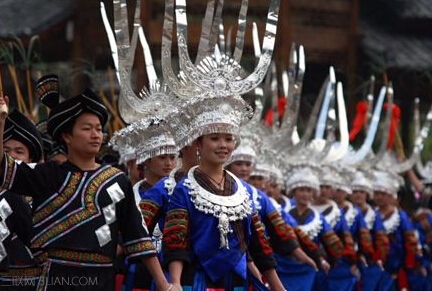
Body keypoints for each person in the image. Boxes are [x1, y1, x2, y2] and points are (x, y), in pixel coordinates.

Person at [0, 90, 173, 291]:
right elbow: (4, 169)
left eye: (99, 129)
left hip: (101, 279)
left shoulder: (117, 181)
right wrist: (1, 123)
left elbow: (138, 236)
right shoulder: (47, 175)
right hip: (56, 279)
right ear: (67, 136)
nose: (95, 135)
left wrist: (164, 285)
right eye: (87, 128)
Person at [0, 109, 43, 290]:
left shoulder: (42, 192)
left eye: (19, 151)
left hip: (33, 282)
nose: (12, 156)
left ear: (30, 158)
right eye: (6, 150)